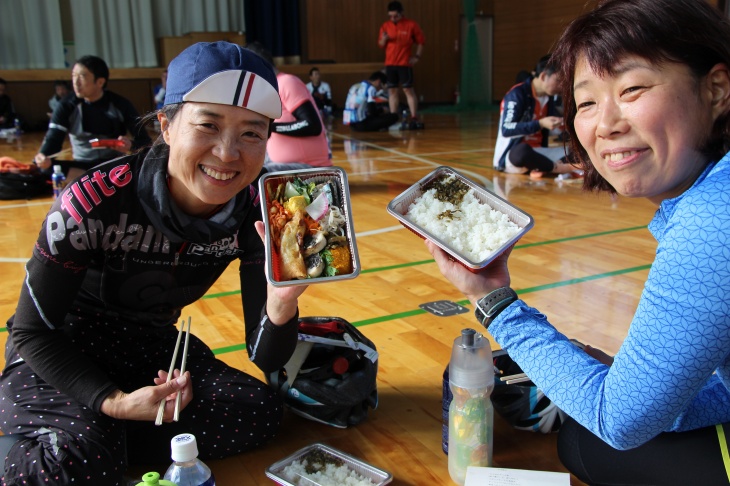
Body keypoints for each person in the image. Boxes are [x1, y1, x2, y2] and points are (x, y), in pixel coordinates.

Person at [428, 0, 730, 484]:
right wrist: (650, 393)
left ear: (716, 89)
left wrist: (493, 301)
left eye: (632, 88)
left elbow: (618, 422)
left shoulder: (712, 220)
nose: (605, 123)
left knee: (585, 440)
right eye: (587, 101)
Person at [0, 41, 306, 485]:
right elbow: (30, 332)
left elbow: (266, 357)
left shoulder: (261, 210)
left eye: (252, 133)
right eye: (208, 125)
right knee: (83, 458)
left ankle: (92, 440)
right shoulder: (91, 202)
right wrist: (114, 402)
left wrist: (281, 305)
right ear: (165, 125)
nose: (227, 153)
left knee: (258, 410)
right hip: (59, 350)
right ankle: (73, 437)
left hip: (148, 346)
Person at [34, 55, 152, 180]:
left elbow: (145, 141)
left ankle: (90, 182)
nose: (75, 82)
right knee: (47, 168)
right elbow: (53, 138)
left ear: (100, 82)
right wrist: (43, 156)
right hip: (82, 165)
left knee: (144, 163)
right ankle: (100, 180)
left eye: (82, 76)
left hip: (114, 163)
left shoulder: (120, 104)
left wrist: (130, 146)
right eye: (74, 75)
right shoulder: (66, 106)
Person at [245, 42, 331, 173]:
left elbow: (312, 124)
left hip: (309, 168)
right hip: (283, 164)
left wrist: (271, 128)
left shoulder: (286, 82)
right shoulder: (269, 89)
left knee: (252, 177)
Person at [492, 55, 577, 177]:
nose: (562, 86)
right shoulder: (516, 94)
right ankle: (558, 168)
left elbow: (552, 131)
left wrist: (563, 128)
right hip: (513, 156)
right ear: (543, 76)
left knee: (578, 150)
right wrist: (540, 123)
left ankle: (544, 167)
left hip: (540, 152)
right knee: (522, 151)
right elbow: (506, 129)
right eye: (558, 81)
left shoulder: (550, 98)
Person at [378, 1, 425, 130]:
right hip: (390, 63)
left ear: (401, 14)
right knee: (392, 91)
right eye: (390, 16)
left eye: (395, 16)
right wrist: (384, 39)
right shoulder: (385, 26)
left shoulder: (411, 25)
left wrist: (417, 57)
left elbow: (421, 42)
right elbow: (381, 45)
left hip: (404, 63)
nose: (393, 19)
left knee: (408, 90)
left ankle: (414, 117)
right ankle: (393, 118)